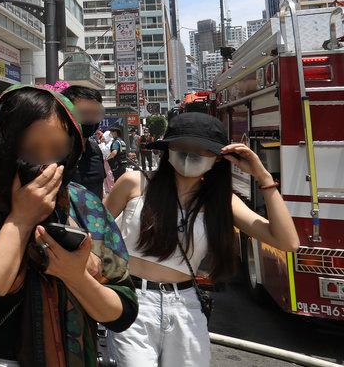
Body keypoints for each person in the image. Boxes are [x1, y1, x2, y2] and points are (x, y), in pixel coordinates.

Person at [0, 85, 138, 367]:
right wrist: (22, 219)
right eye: (29, 150)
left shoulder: (83, 204)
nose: (45, 165)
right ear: (2, 145)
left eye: (58, 151)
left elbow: (122, 312)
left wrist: (75, 275)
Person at [103, 112, 300, 367]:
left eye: (201, 149)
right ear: (168, 149)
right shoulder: (134, 183)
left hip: (186, 306)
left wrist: (263, 178)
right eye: (182, 147)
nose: (189, 155)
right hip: (132, 298)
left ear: (218, 158)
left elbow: (287, 242)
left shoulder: (222, 201)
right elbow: (97, 232)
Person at [61, 85, 106, 199]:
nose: (90, 119)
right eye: (84, 113)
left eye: (95, 113)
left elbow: (100, 192)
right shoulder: (53, 154)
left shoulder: (95, 150)